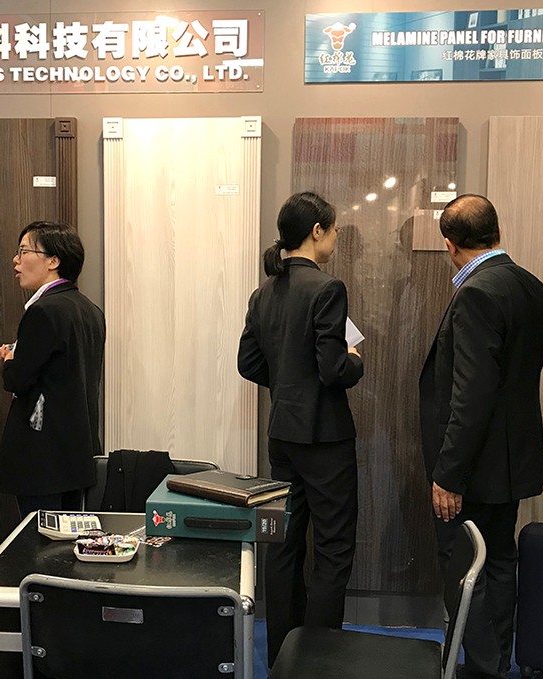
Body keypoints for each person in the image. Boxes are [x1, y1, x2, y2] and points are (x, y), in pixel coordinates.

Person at [418, 194, 543, 679]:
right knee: (498, 563)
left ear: (449, 245)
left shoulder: (476, 293)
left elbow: (471, 396)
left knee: (465, 569)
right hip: (511, 462)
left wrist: (449, 474)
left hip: (474, 468)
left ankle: (480, 667)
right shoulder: (531, 286)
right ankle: (494, 664)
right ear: (497, 231)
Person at [237, 192, 364, 667]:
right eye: (334, 229)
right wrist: (355, 359)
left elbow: (248, 362)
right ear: (317, 231)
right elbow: (333, 369)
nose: (335, 237)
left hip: (283, 435)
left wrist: (288, 381)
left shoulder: (263, 293)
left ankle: (282, 658)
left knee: (285, 545)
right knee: (332, 548)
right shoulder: (327, 289)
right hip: (326, 439)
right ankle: (318, 662)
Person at [0, 221, 105, 518]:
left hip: (43, 456)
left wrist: (9, 359)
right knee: (68, 537)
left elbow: (17, 380)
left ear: (53, 261)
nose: (15, 260)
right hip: (77, 452)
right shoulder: (91, 310)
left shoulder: (43, 310)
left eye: (24, 251)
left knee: (39, 538)